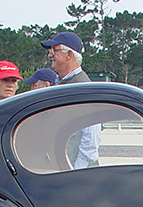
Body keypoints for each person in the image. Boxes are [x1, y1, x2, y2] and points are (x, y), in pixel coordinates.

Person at [41, 31, 100, 167]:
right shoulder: (65, 84)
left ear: (69, 55)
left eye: (54, 50)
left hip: (78, 173)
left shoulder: (82, 88)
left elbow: (92, 138)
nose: (50, 55)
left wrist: (76, 171)